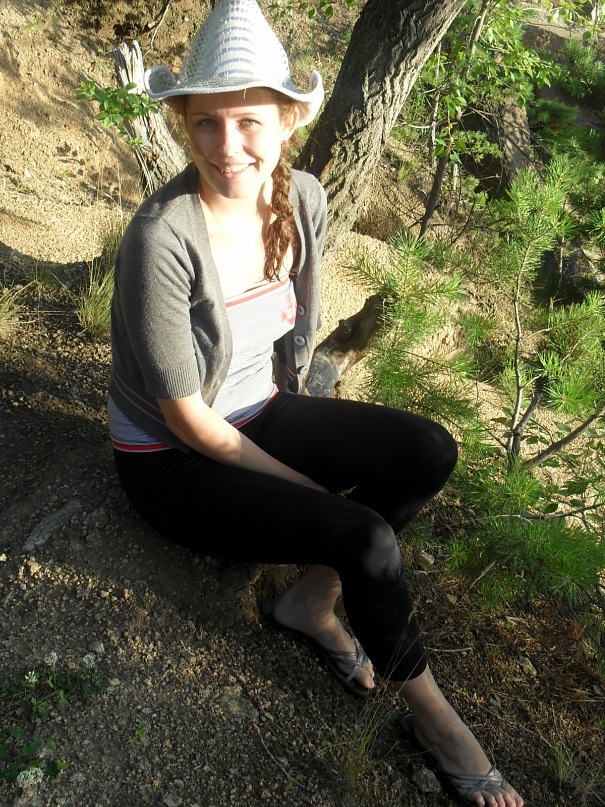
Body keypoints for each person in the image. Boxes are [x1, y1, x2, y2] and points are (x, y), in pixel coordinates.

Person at [108, 1, 524, 805]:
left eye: (249, 122)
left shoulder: (300, 195)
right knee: (362, 533)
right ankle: (438, 724)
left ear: (289, 120)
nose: (227, 146)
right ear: (182, 124)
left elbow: (294, 317)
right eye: (205, 123)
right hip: (170, 460)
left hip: (260, 410)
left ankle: (310, 599)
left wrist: (302, 400)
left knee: (428, 450)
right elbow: (186, 419)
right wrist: (310, 493)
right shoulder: (162, 237)